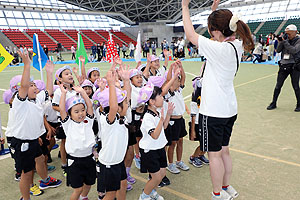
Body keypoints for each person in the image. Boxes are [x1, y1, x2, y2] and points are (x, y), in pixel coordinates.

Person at [182, 0, 254, 199]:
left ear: (216, 31)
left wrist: (185, 7)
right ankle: (226, 187)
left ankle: (217, 194)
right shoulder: (235, 45)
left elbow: (190, 35)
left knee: (214, 155)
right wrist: (215, 13)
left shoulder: (219, 50)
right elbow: (218, 37)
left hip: (213, 111)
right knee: (224, 152)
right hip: (229, 109)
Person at [10, 51, 62, 200]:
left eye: (34, 85)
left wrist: (49, 73)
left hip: (32, 139)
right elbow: (24, 86)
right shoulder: (21, 103)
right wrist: (27, 65)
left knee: (39, 159)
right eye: (31, 85)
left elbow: (49, 91)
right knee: (27, 174)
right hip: (22, 142)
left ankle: (45, 181)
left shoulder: (36, 99)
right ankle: (25, 197)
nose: (34, 87)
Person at [94, 65, 130, 200]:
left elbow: (123, 100)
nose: (127, 105)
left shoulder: (121, 117)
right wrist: (110, 84)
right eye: (125, 104)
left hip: (117, 161)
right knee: (110, 194)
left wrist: (125, 81)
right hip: (109, 162)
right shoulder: (109, 120)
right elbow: (114, 106)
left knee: (123, 184)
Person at [137, 84, 175, 200]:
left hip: (159, 147)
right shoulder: (148, 117)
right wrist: (162, 119)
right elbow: (154, 135)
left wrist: (167, 114)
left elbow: (163, 127)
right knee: (156, 177)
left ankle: (151, 191)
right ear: (152, 101)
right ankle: (144, 196)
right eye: (159, 96)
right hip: (150, 150)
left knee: (162, 174)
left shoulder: (157, 112)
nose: (162, 97)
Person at [59, 85, 96, 200]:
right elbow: (61, 109)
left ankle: (83, 197)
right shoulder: (68, 124)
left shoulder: (88, 120)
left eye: (82, 110)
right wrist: (64, 93)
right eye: (76, 111)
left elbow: (89, 104)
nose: (80, 114)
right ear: (69, 114)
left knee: (89, 183)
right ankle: (79, 196)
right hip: (75, 161)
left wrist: (82, 92)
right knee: (78, 188)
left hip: (89, 158)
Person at [267, 24, 300, 112]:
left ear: (295, 32)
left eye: (289, 33)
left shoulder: (298, 41)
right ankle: (273, 103)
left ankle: (299, 104)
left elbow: (294, 50)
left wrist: (285, 42)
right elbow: (278, 50)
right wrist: (281, 42)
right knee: (278, 85)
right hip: (284, 65)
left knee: (296, 86)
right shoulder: (286, 40)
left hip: (294, 66)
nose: (287, 35)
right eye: (286, 33)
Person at [52, 65, 78, 176]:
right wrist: (67, 112)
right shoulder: (59, 92)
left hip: (76, 120)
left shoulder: (75, 89)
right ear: (60, 79)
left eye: (70, 73)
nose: (70, 75)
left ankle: (74, 160)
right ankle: (64, 164)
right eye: (66, 74)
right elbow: (54, 106)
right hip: (65, 121)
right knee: (65, 142)